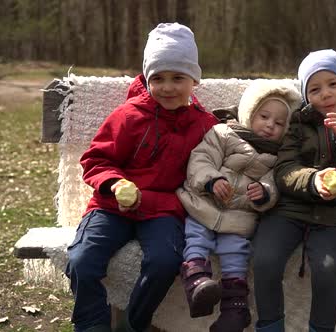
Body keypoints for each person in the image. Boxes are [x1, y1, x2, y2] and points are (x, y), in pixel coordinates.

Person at [64, 23, 218, 332]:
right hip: (111, 206)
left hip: (164, 210)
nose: (168, 87)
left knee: (164, 262)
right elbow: (97, 159)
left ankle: (134, 323)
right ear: (147, 79)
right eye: (158, 79)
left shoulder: (204, 125)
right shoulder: (128, 115)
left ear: (194, 81)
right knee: (82, 261)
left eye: (178, 78)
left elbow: (218, 160)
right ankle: (92, 324)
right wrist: (115, 183)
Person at [252, 49, 336, 332]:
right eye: (315, 88)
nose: (325, 94)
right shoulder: (299, 124)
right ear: (306, 95)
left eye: (333, 84)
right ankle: (270, 326)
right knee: (264, 260)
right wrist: (313, 181)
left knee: (327, 269)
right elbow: (285, 170)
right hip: (291, 207)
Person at [177, 79, 301, 332]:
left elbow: (275, 184)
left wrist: (264, 193)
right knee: (196, 237)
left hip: (239, 216)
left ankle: (235, 308)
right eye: (264, 116)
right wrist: (211, 180)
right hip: (202, 204)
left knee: (236, 251)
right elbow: (200, 159)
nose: (270, 125)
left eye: (279, 123)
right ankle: (197, 283)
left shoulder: (278, 156)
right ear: (248, 112)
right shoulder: (223, 133)